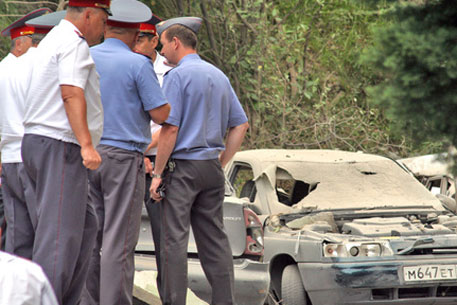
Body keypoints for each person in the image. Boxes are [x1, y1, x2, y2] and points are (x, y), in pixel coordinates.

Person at [151, 17, 250, 305]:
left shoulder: (176, 77)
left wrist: (157, 173)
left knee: (174, 243)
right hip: (210, 168)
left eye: (163, 44)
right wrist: (221, 162)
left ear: (176, 42)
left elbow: (170, 128)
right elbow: (240, 124)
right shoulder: (219, 76)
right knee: (215, 241)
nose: (161, 50)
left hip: (181, 170)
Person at [20, 1, 110, 304]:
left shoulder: (51, 41)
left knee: (85, 227)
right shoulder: (73, 42)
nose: (104, 28)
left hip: (41, 143)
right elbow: (71, 92)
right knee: (59, 239)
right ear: (87, 15)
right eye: (102, 20)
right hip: (60, 145)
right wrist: (86, 144)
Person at [81, 1, 170, 304]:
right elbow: (160, 114)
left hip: (87, 155)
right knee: (119, 242)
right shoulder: (137, 64)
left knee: (91, 238)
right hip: (123, 158)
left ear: (105, 27)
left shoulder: (86, 57)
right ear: (136, 35)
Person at [0, 7, 51, 253]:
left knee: (17, 233)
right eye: (35, 40)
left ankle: (15, 290)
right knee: (43, 230)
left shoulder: (4, 69)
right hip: (32, 156)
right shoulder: (33, 67)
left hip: (9, 158)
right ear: (21, 43)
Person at [133, 14, 173, 300]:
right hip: (128, 158)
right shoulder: (125, 64)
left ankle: (168, 296)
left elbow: (168, 124)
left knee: (165, 241)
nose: (133, 46)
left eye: (139, 40)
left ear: (154, 40)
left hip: (160, 163)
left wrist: (144, 151)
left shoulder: (170, 72)